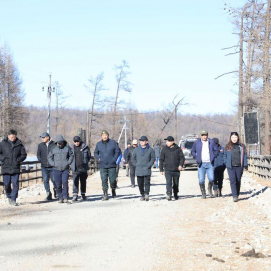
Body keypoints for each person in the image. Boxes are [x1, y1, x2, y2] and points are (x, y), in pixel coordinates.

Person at [0, 129, 27, 206]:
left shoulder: (19, 144)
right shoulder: (2, 144)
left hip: (15, 167)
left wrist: (18, 160)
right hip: (6, 167)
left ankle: (13, 199)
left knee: (15, 184)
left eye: (14, 137)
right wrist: (3, 159)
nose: (13, 138)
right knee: (7, 184)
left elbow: (24, 155)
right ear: (8, 136)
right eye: (11, 137)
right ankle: (9, 196)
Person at [191, 130, 219, 199]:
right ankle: (203, 193)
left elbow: (216, 150)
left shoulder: (211, 142)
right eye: (203, 135)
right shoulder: (197, 142)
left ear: (207, 136)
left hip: (210, 163)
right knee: (201, 180)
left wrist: (213, 156)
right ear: (200, 136)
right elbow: (192, 151)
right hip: (201, 164)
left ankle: (209, 188)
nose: (204, 136)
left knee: (212, 179)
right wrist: (196, 156)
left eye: (205, 135)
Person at [94, 130, 120, 201]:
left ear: (108, 136)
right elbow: (95, 153)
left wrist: (114, 159)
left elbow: (117, 151)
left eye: (106, 135)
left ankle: (113, 190)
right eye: (103, 135)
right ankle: (105, 194)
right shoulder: (98, 144)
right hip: (103, 165)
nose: (104, 136)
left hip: (112, 165)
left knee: (112, 180)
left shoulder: (113, 143)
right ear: (101, 136)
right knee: (104, 180)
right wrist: (98, 158)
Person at [48, 135, 74, 203]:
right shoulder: (53, 149)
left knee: (65, 182)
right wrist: (53, 164)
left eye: (61, 143)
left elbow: (71, 155)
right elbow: (49, 157)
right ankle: (60, 197)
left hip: (65, 169)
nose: (60, 144)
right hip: (56, 169)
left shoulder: (67, 148)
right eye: (58, 143)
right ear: (56, 143)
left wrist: (68, 162)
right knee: (58, 184)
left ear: (63, 142)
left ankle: (65, 197)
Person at [224, 132, 248, 202]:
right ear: (230, 138)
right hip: (230, 166)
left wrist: (245, 164)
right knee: (232, 180)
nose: (234, 139)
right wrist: (226, 163)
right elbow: (224, 155)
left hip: (239, 166)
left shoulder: (242, 146)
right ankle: (234, 195)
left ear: (238, 138)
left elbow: (245, 155)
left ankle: (237, 193)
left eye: (235, 137)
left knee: (238, 180)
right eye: (232, 137)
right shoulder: (228, 146)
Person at [159, 136, 185, 201]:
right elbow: (161, 159)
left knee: (176, 183)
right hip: (167, 169)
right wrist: (161, 169)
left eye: (168, 141)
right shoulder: (164, 149)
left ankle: (175, 194)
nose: (166, 142)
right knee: (168, 182)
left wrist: (180, 165)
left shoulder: (178, 149)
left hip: (176, 169)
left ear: (172, 142)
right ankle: (169, 194)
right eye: (166, 141)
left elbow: (182, 158)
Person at [131, 136, 155, 201]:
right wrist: (136, 164)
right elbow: (133, 158)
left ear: (146, 141)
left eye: (143, 141)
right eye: (141, 141)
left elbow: (153, 158)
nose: (141, 142)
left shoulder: (150, 149)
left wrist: (149, 164)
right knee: (140, 183)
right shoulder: (136, 149)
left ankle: (147, 194)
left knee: (147, 182)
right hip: (139, 169)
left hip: (147, 168)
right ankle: (142, 194)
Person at [37, 132, 57, 201]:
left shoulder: (54, 144)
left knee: (54, 179)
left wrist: (54, 162)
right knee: (45, 180)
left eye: (43, 137)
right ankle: (48, 193)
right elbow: (38, 154)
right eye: (42, 138)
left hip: (52, 166)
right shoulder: (40, 145)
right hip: (44, 166)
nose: (42, 139)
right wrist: (40, 160)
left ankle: (56, 189)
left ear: (48, 137)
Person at [70, 136, 91, 202]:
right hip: (75, 168)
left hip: (83, 167)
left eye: (77, 141)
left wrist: (85, 162)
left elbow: (89, 156)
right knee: (75, 182)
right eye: (75, 142)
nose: (76, 143)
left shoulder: (85, 147)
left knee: (83, 182)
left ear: (80, 141)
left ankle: (83, 194)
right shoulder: (71, 148)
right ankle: (75, 195)